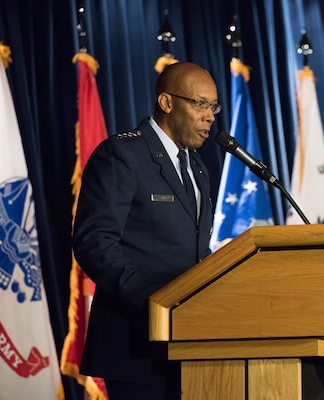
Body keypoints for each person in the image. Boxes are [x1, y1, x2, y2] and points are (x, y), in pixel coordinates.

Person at [73, 62, 219, 399]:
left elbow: (195, 251)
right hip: (134, 344)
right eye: (200, 104)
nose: (210, 116)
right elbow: (94, 242)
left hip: (189, 344)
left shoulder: (197, 167)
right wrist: (154, 297)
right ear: (167, 103)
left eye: (213, 106)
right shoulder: (122, 155)